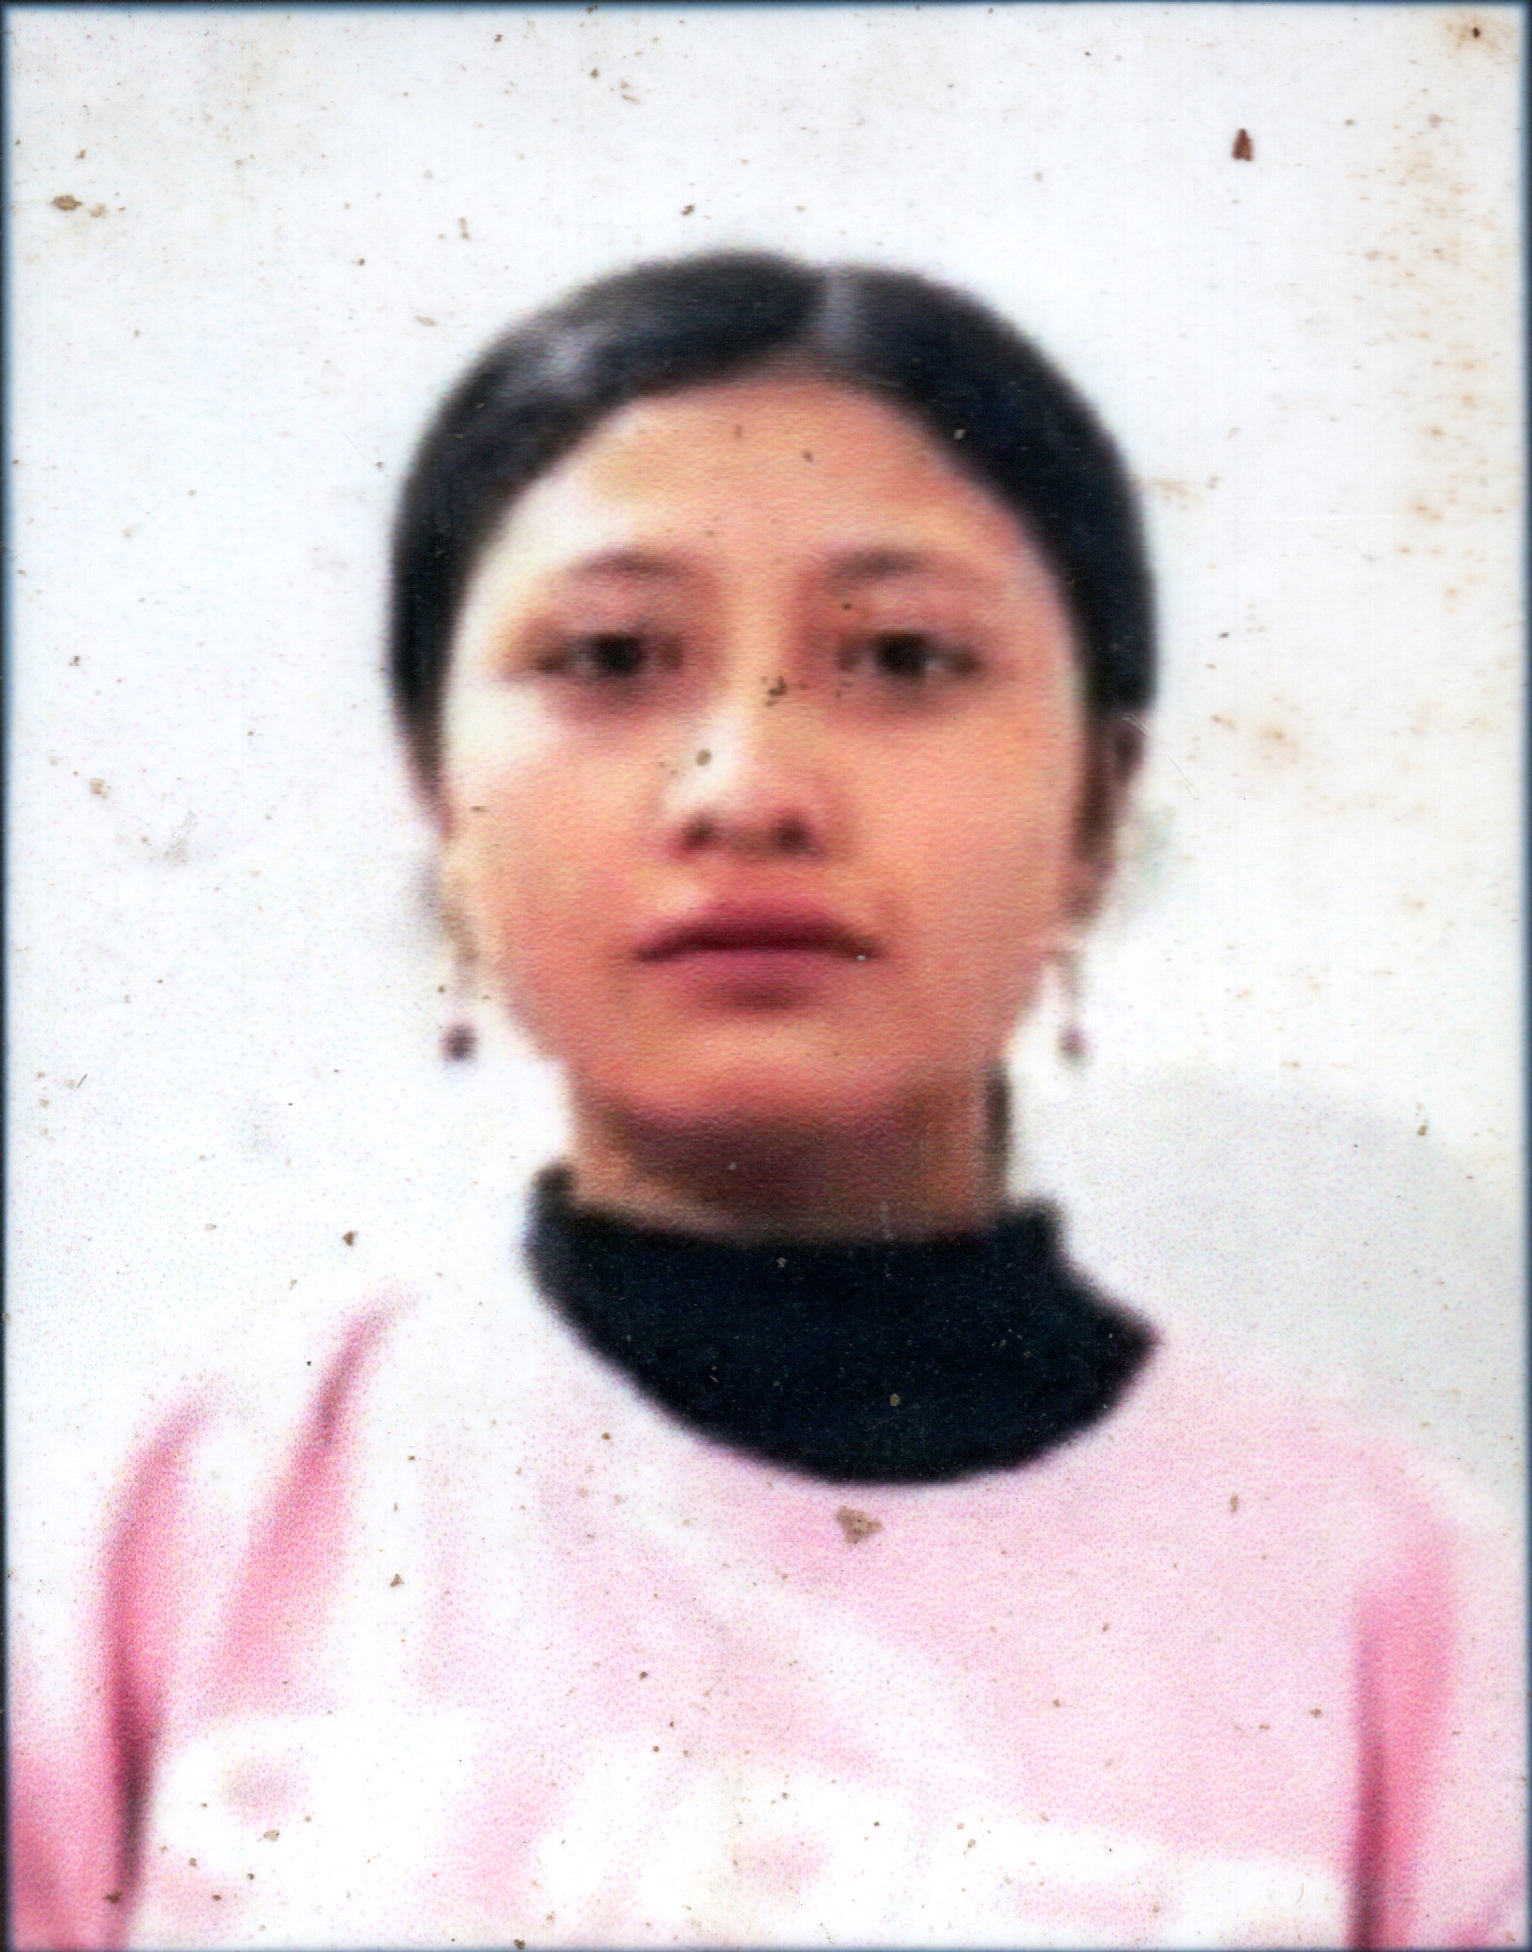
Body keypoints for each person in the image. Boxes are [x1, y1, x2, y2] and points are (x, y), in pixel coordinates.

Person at [11, 254, 1524, 1949]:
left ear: (1097, 807)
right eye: (609, 654)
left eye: (902, 656)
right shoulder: (178, 1532)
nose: (745, 789)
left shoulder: (1420, 1627)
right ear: (439, 790)